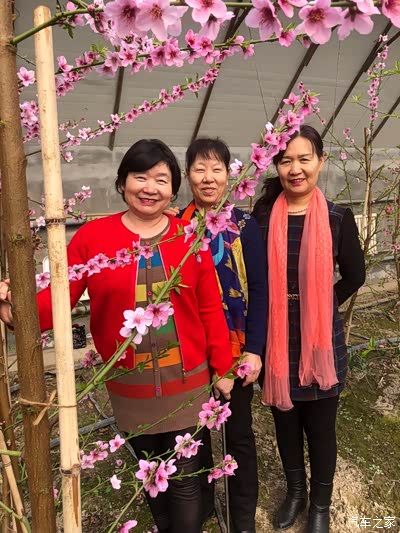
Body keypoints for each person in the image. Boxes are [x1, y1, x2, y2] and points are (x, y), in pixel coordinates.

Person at [0, 139, 234, 533]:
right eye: (140, 177)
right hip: (129, 387)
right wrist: (16, 307)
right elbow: (59, 299)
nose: (150, 188)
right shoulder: (93, 238)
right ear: (123, 182)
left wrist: (222, 367)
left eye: (161, 180)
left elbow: (209, 307)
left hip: (188, 381)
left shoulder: (189, 236)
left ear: (173, 189)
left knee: (185, 481)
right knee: (152, 475)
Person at [252, 125, 366, 533]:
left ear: (321, 161)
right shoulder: (263, 217)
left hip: (320, 341)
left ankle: (320, 504)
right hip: (277, 337)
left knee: (320, 429)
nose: (295, 169)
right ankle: (295, 492)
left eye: (304, 158)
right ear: (276, 166)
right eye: (286, 161)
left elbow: (355, 274)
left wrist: (321, 304)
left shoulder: (337, 217)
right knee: (285, 424)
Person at [177, 138, 267, 533]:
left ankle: (242, 516)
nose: (208, 178)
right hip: (189, 351)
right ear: (188, 176)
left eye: (216, 169)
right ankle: (199, 507)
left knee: (238, 434)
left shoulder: (244, 225)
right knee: (193, 435)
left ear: (230, 175)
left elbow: (260, 290)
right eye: (200, 169)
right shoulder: (176, 228)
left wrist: (255, 349)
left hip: (236, 349)